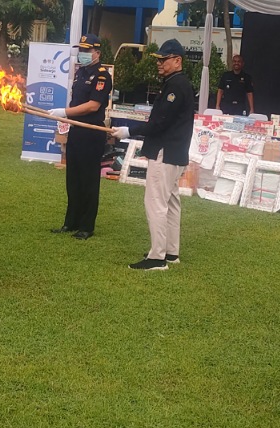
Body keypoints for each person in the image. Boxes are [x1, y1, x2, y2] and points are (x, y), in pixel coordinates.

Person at [111, 39, 194, 270]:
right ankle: (170, 252)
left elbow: (159, 123)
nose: (159, 63)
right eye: (158, 59)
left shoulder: (176, 86)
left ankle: (157, 257)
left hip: (166, 152)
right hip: (174, 152)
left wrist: (129, 131)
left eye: (163, 59)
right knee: (171, 202)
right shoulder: (176, 83)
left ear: (177, 61)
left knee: (156, 202)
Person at [48, 34, 113, 240]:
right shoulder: (80, 72)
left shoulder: (102, 76)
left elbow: (93, 105)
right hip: (76, 130)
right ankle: (71, 222)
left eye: (87, 50)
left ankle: (86, 226)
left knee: (88, 181)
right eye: (81, 50)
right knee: (73, 179)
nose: (82, 54)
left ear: (97, 53)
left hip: (91, 132)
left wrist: (65, 112)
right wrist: (67, 116)